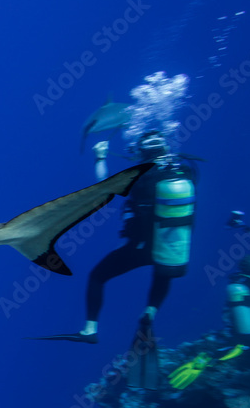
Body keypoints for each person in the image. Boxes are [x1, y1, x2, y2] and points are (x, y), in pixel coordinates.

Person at [32, 131, 199, 344]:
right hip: (171, 243)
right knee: (162, 269)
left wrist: (100, 157)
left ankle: (89, 330)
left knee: (97, 276)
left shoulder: (140, 174)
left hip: (140, 247)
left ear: (141, 150)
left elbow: (103, 188)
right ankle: (149, 312)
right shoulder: (186, 168)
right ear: (165, 147)